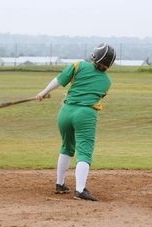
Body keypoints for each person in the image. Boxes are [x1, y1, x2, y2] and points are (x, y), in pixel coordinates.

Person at [36, 43, 116, 201]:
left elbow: (59, 80)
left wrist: (43, 93)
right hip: (85, 114)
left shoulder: (78, 65)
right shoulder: (107, 82)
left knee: (67, 146)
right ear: (109, 64)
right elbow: (93, 95)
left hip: (65, 112)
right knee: (84, 152)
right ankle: (80, 190)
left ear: (94, 56)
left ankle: (60, 184)